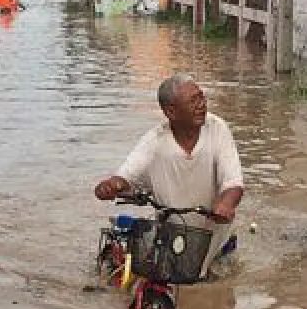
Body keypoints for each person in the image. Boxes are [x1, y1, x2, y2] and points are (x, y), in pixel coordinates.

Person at [94, 74, 244, 276]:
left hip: (215, 235)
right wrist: (111, 186)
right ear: (171, 111)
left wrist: (226, 204)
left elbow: (233, 181)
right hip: (172, 237)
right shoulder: (155, 141)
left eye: (202, 98)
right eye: (193, 101)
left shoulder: (218, 129)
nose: (201, 105)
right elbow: (126, 175)